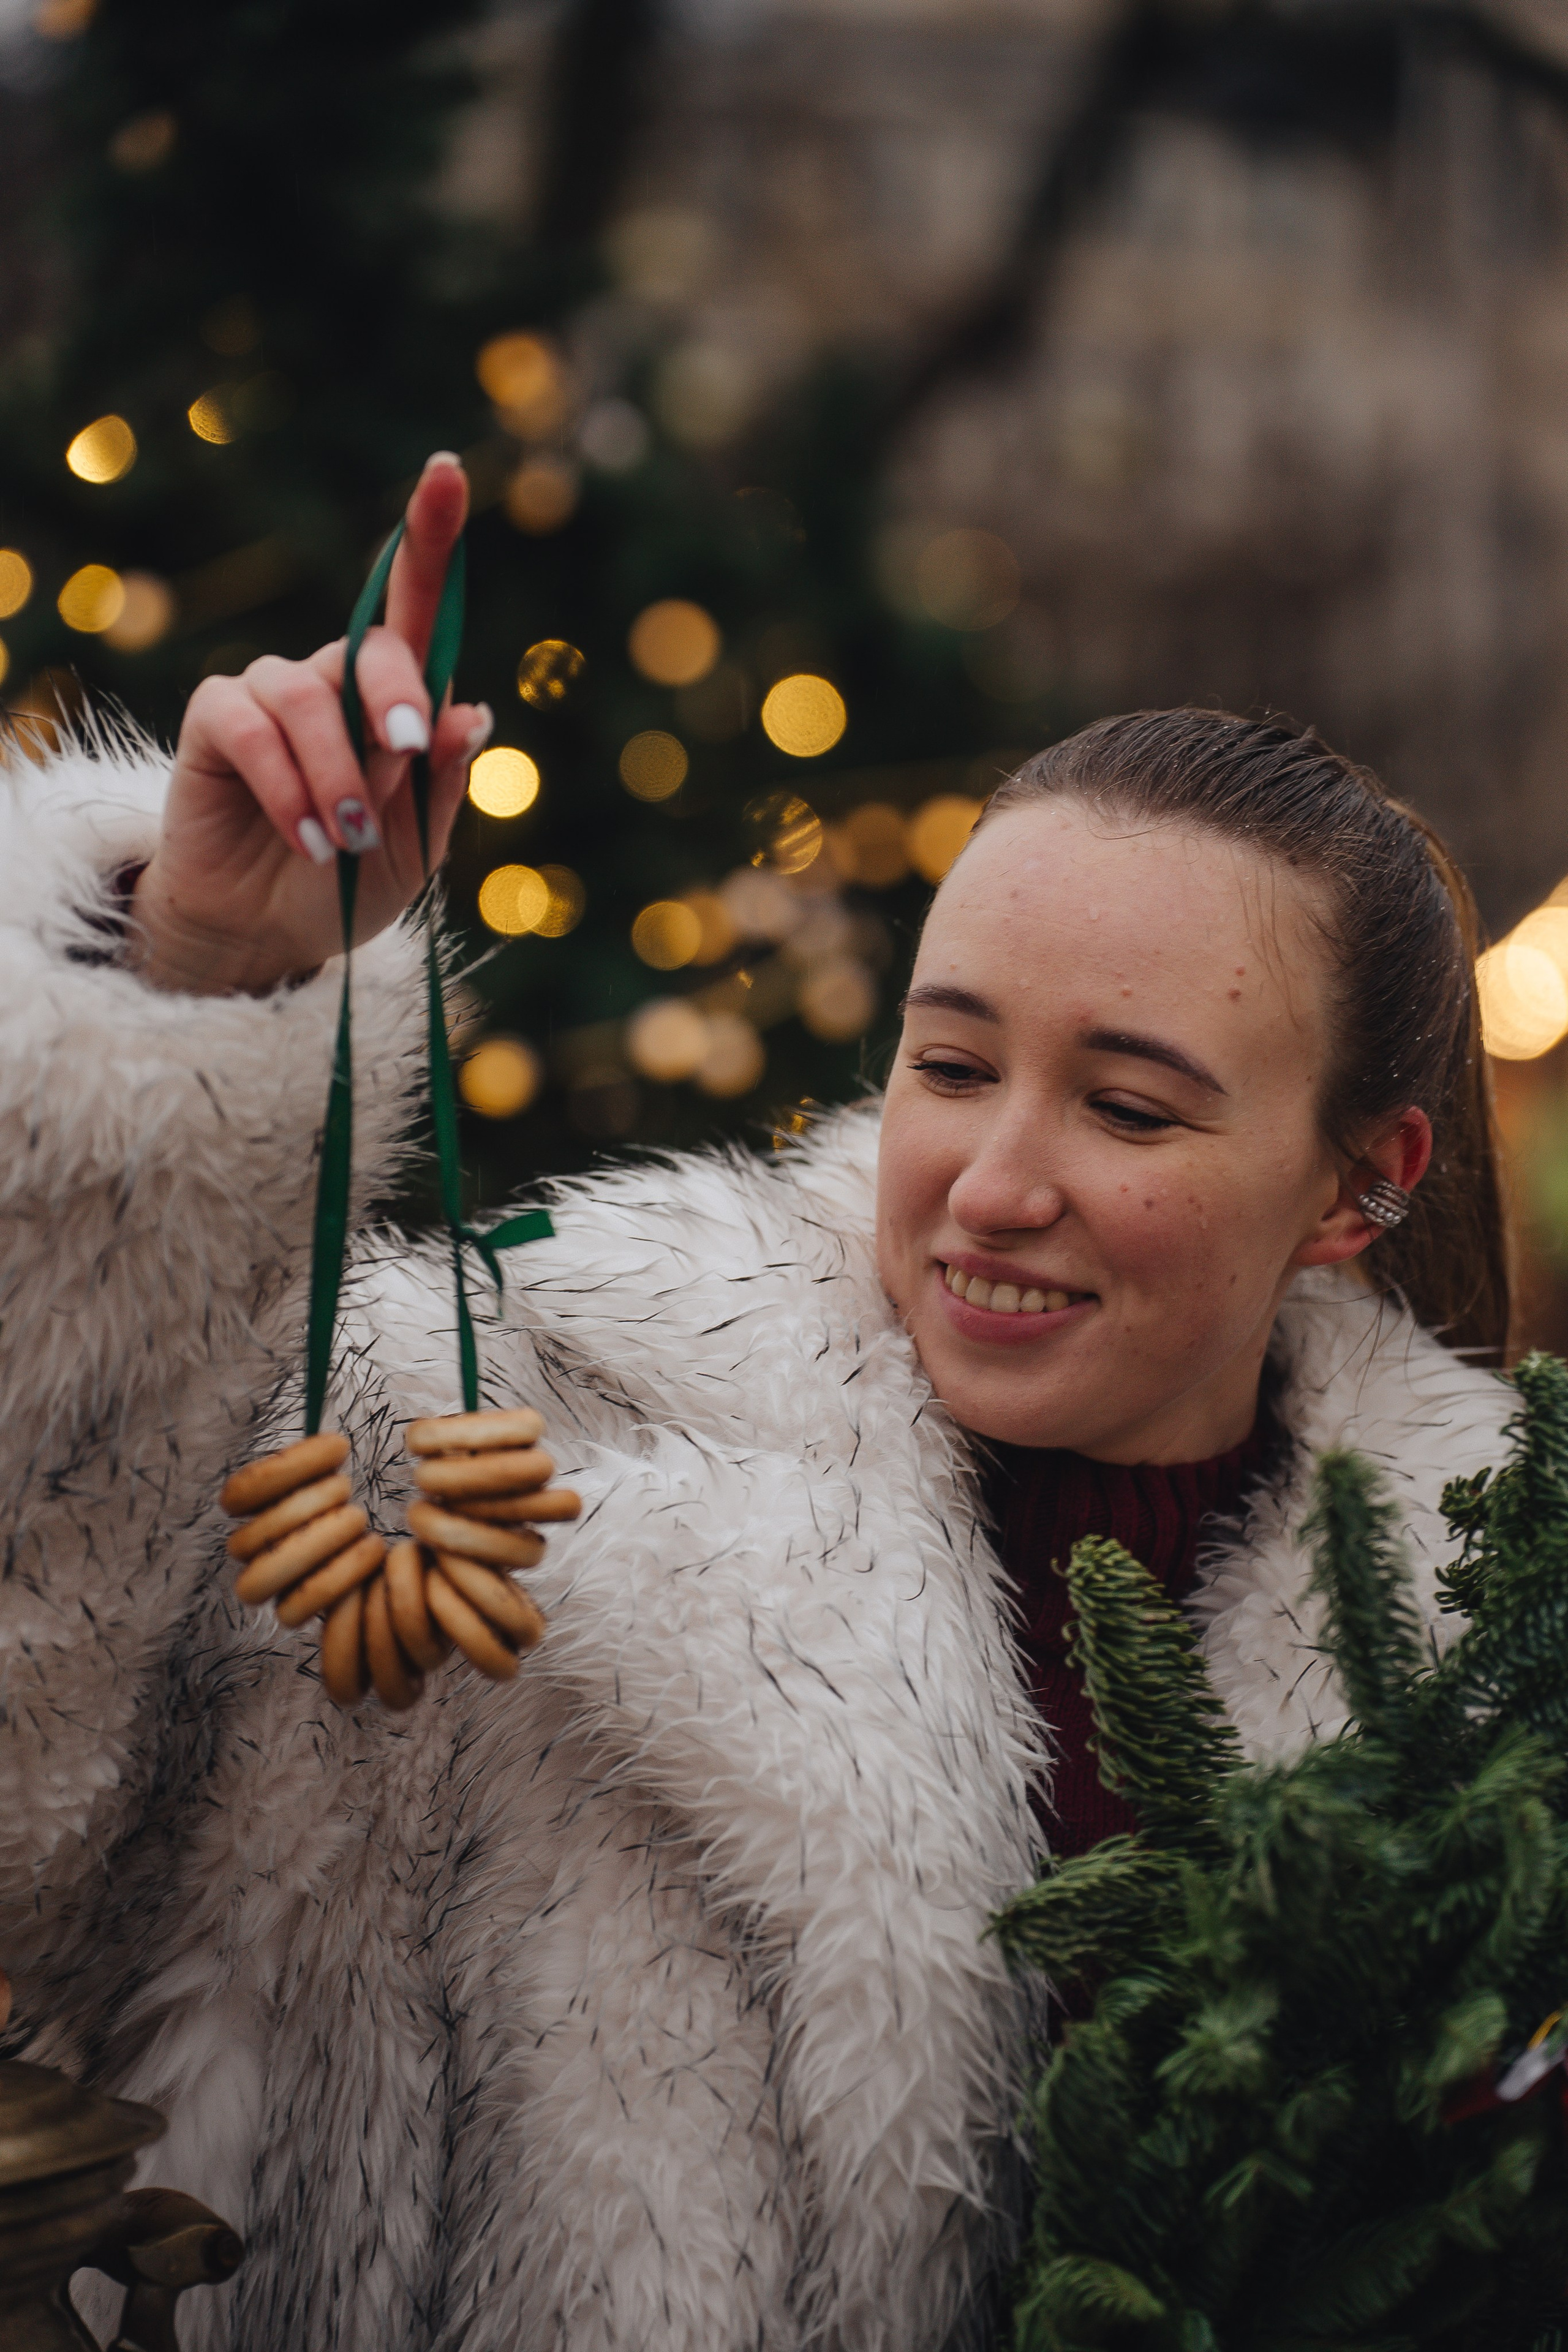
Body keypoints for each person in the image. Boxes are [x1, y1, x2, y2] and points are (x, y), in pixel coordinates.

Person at [0, 453, 1515, 2352]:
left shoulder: (1490, 1672)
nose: (992, 1180)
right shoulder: (489, 1462)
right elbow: (33, 1816)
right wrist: (196, 978)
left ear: (1357, 1184)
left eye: (1129, 1107)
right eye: (953, 1064)